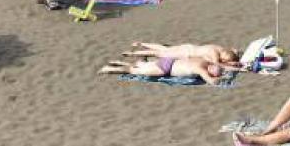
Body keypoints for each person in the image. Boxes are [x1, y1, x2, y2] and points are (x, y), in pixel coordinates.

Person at [97, 56, 231, 85]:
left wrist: (225, 70)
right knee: (134, 71)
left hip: (169, 60)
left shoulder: (203, 61)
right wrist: (222, 78)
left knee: (142, 66)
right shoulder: (200, 68)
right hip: (166, 68)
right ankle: (109, 69)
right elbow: (212, 82)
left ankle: (118, 62)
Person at [123, 43, 240, 65]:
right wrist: (233, 65)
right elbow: (217, 63)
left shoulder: (218, 48)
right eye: (225, 59)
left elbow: (234, 50)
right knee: (160, 53)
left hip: (188, 47)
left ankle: (142, 43)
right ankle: (132, 53)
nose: (224, 60)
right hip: (186, 52)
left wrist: (234, 56)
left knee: (164, 49)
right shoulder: (214, 52)